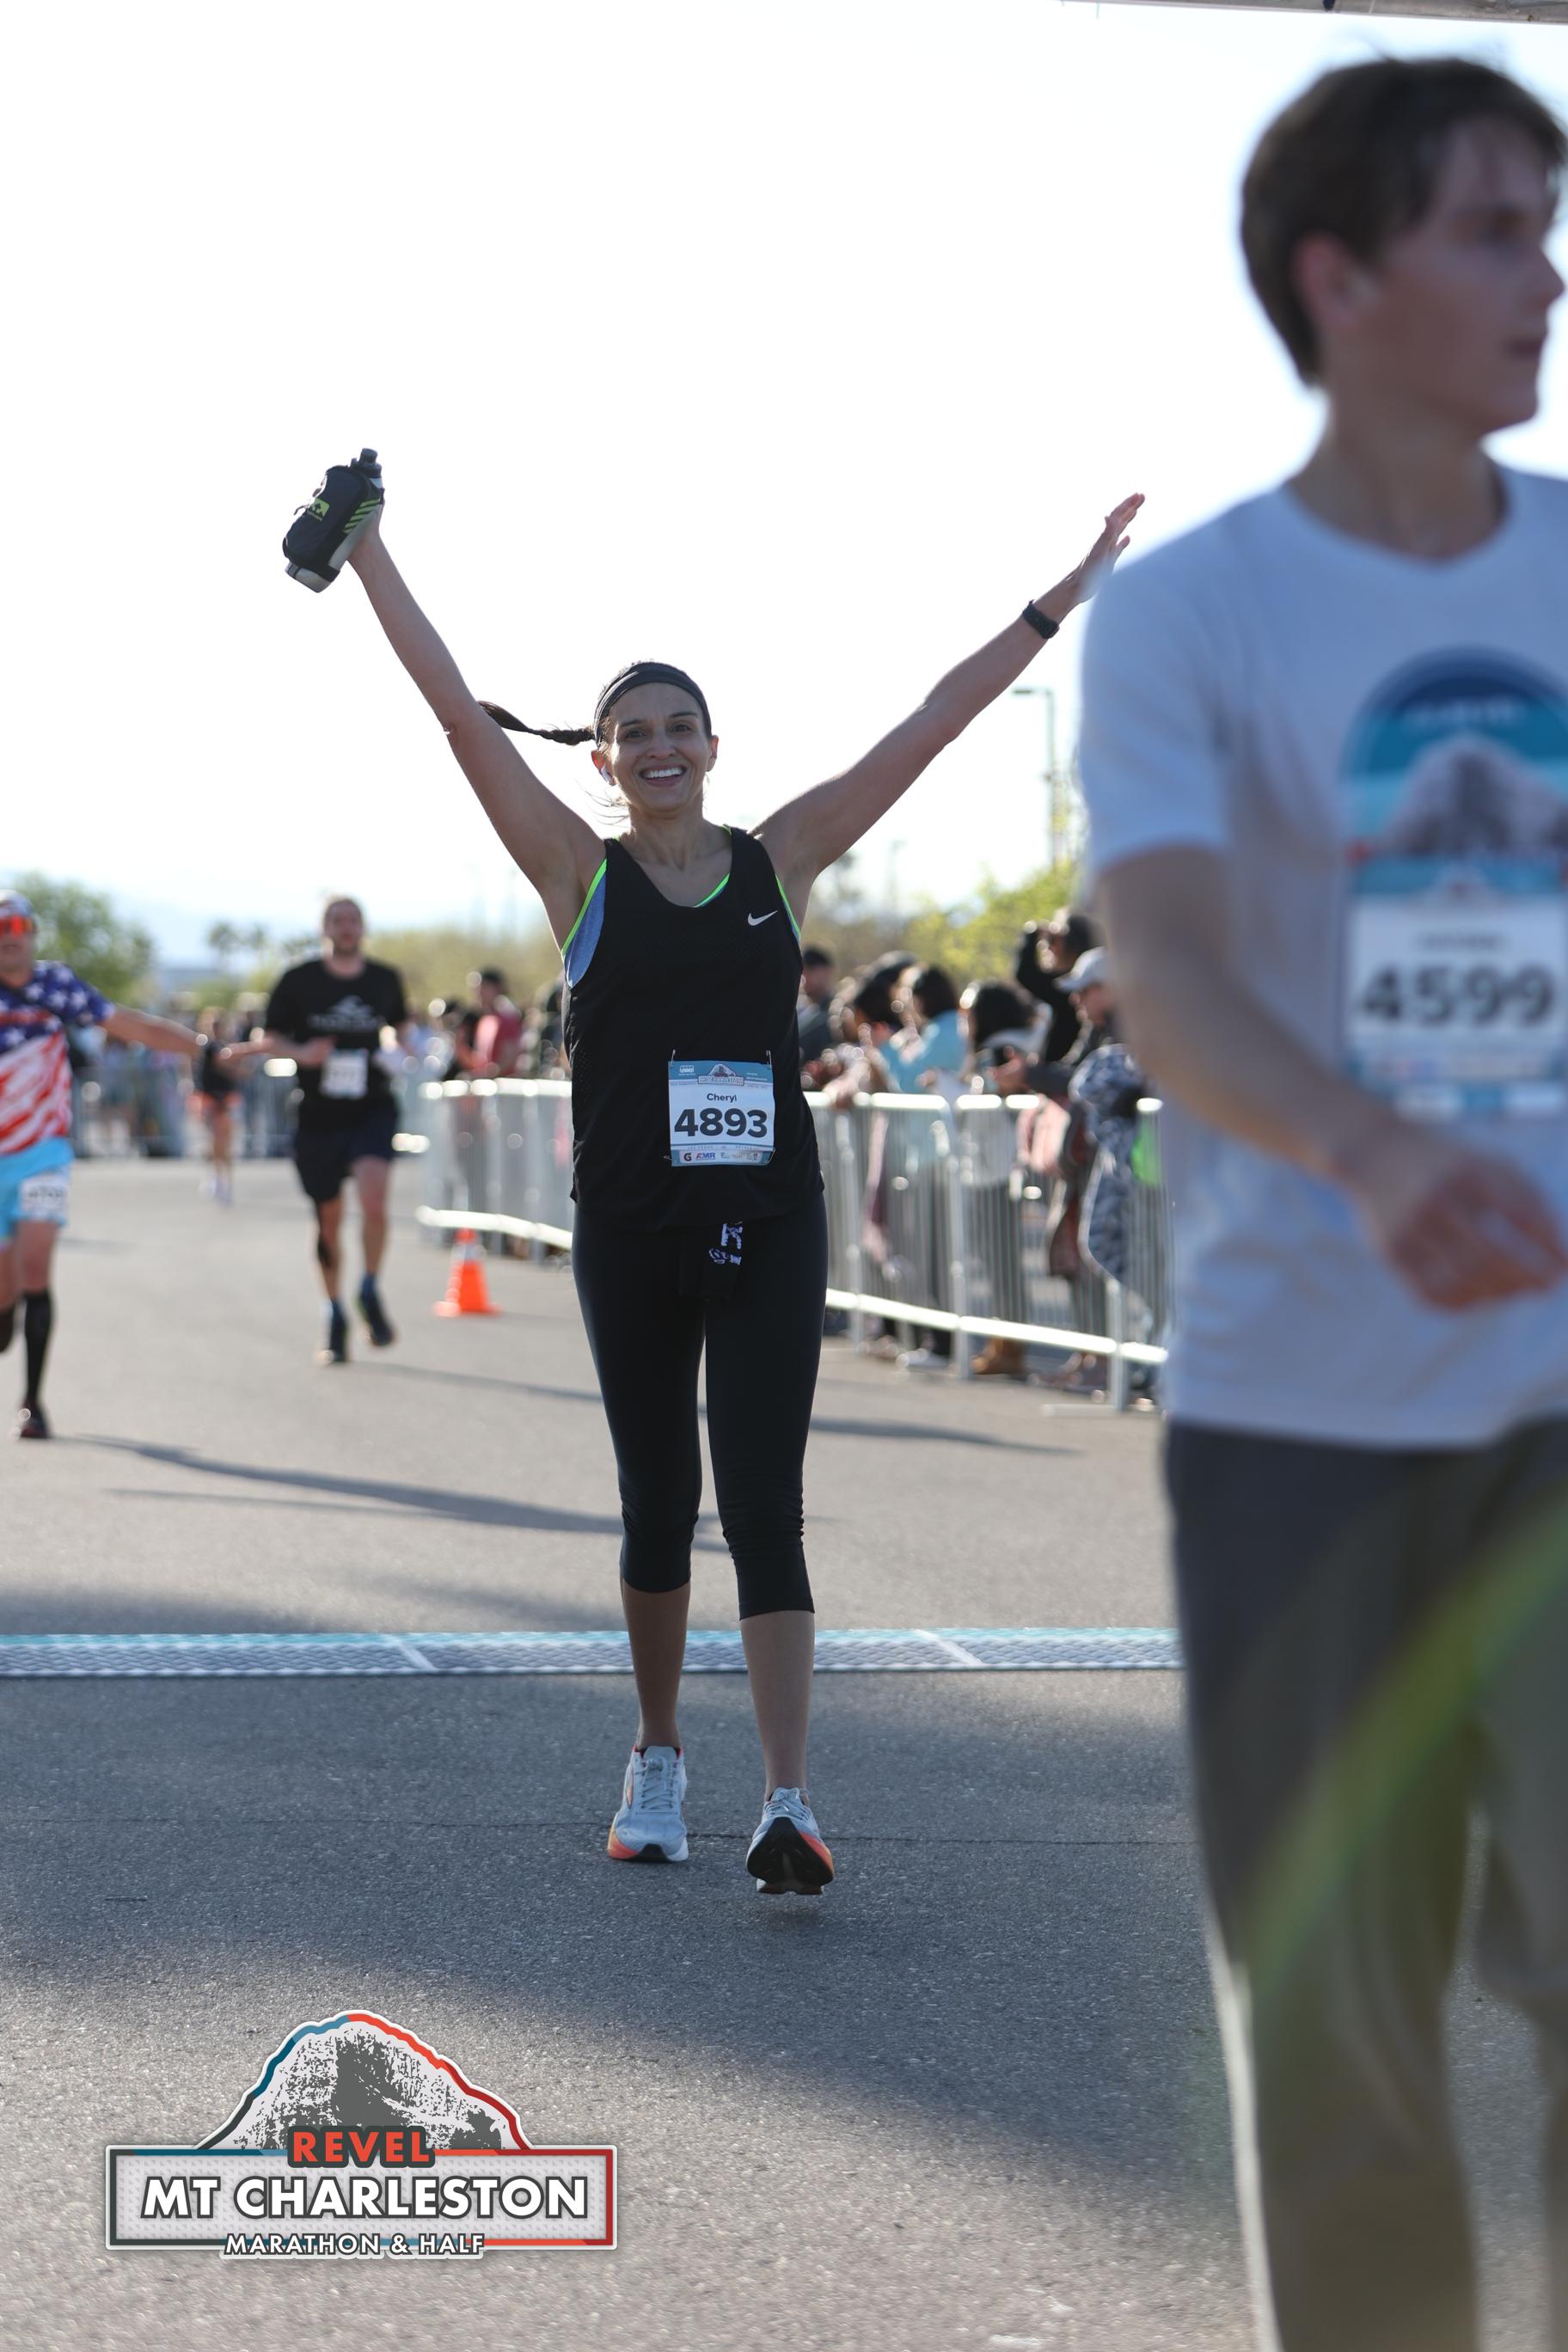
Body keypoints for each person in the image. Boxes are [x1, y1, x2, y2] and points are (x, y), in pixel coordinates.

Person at [335, 469, 1139, 1893]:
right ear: (601, 759)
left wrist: (1059, 600)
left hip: (768, 1216)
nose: (658, 747)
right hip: (631, 1225)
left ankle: (787, 1798)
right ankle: (656, 1755)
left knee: (765, 1500)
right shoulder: (577, 874)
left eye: (677, 728)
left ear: (713, 746)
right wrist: (372, 554)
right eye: (632, 733)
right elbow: (458, 715)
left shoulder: (785, 858)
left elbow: (932, 724)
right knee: (658, 1502)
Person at [1078, 58, 1568, 2352]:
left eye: (1548, 229)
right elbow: (1166, 969)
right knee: (1342, 2051)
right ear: (1338, 280)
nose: (1544, 277)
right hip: (1297, 1425)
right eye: (1492, 231)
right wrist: (1374, 1152)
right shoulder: (1191, 614)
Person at [0, 889, 203, 1436]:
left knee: (37, 1269)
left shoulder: (55, 985)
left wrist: (202, 1047)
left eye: (16, 926)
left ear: (32, 933)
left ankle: (33, 1402)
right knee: (3, 1299)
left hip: (42, 1154)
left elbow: (129, 1024)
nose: (8, 937)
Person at [242, 898, 413, 1365]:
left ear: (363, 927)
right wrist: (303, 1053)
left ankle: (369, 1286)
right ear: (325, 928)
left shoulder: (383, 978)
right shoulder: (299, 980)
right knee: (329, 1219)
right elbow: (269, 1037)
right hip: (318, 1113)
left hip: (371, 1107)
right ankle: (334, 1311)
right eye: (338, 920)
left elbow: (402, 1028)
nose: (347, 927)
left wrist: (397, 1048)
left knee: (374, 1200)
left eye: (354, 920)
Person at [1014, 905, 1099, 1063]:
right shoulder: (1072, 983)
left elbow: (1025, 974)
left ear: (1073, 942)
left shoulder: (1082, 986)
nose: (1047, 946)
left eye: (1052, 939)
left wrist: (1033, 932)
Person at [193, 1008, 241, 1204]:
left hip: (226, 1098)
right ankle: (215, 1177)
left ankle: (226, 1181)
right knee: (214, 1140)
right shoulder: (207, 1047)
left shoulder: (228, 1046)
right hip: (210, 1099)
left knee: (226, 1141)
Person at [795, 945, 837, 1069]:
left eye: (811, 969)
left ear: (828, 971)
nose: (804, 976)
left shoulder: (836, 1012)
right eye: (801, 970)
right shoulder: (797, 1011)